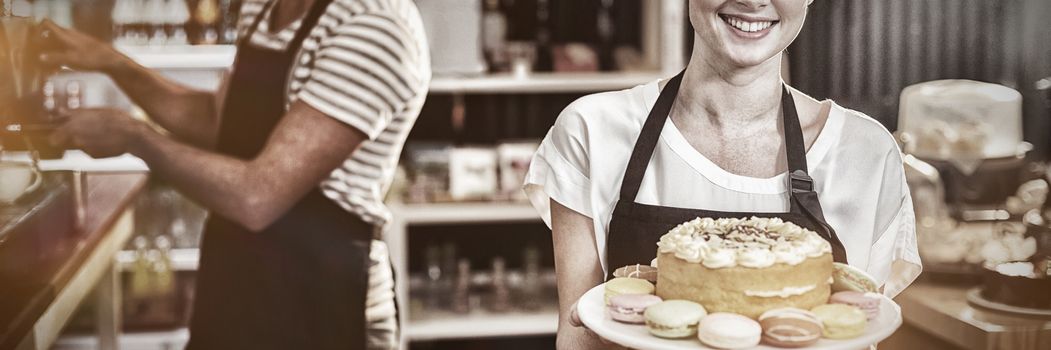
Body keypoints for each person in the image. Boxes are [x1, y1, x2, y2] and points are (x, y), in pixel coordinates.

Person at [523, 0, 920, 348]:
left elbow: (854, 332)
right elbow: (579, 341)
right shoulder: (592, 131)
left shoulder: (867, 153)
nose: (751, 1)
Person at [38, 0, 429, 348]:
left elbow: (258, 196)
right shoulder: (263, 7)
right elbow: (215, 121)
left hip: (321, 300)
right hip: (236, 284)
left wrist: (134, 137)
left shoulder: (375, 22)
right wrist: (111, 61)